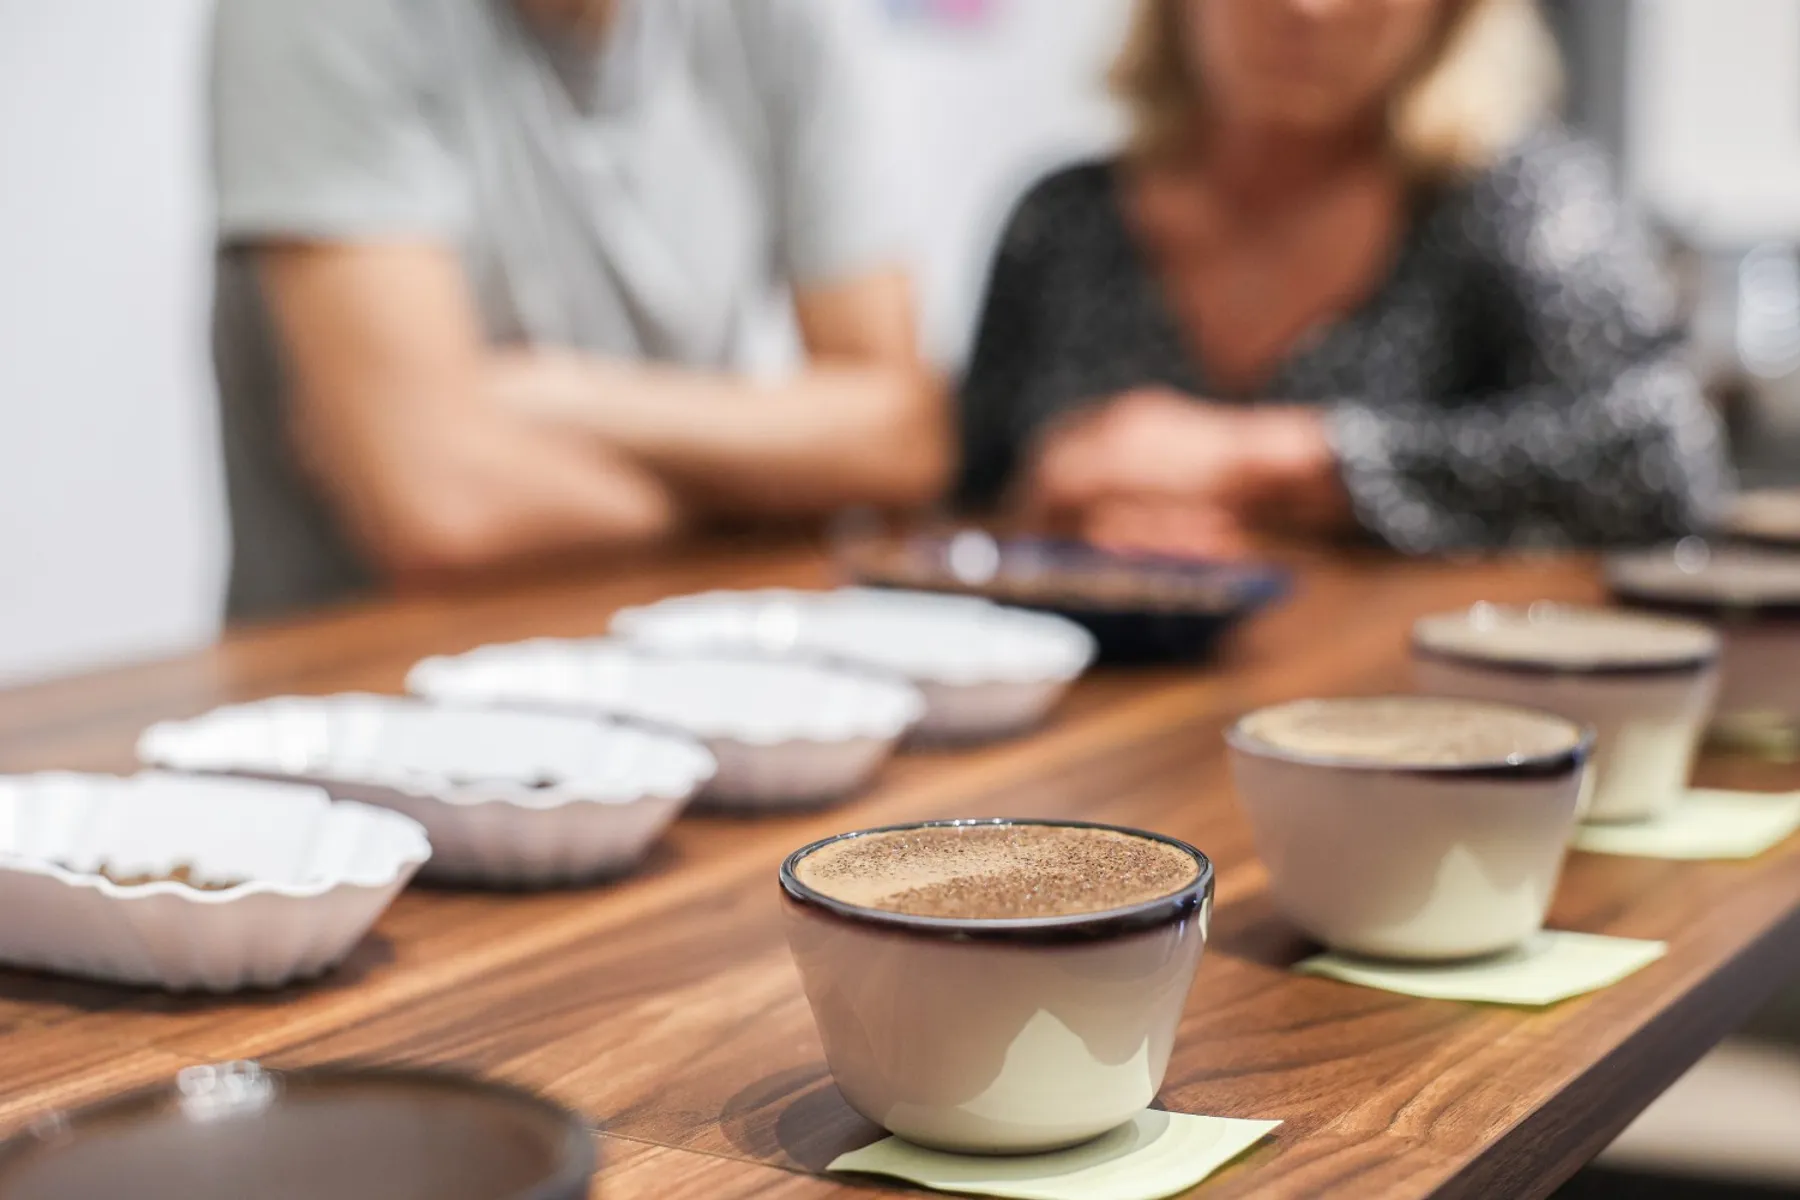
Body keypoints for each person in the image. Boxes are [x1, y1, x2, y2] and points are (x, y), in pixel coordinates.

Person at [210, 0, 946, 619]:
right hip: (357, 701)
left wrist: (563, 398)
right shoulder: (325, 19)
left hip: (693, 661)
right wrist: (781, 482)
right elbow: (446, 507)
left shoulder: (786, 20)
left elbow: (903, 436)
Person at [956, 0, 1731, 559]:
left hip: (1416, 728)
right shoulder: (1061, 222)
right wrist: (1061, 512)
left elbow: (1663, 460)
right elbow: (973, 491)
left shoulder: (1512, 200)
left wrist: (1272, 459)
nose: (1309, 10)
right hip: (1108, 730)